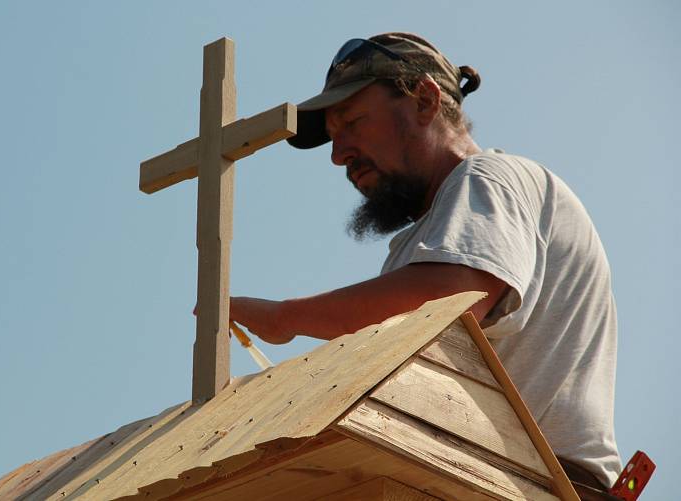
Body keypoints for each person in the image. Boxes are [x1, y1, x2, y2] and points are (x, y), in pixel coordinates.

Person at [229, 32, 622, 495]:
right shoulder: (425, 237)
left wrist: (285, 317)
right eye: (334, 138)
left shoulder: (488, 180)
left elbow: (453, 296)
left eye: (353, 122)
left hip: (538, 483)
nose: (339, 154)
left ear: (425, 100)